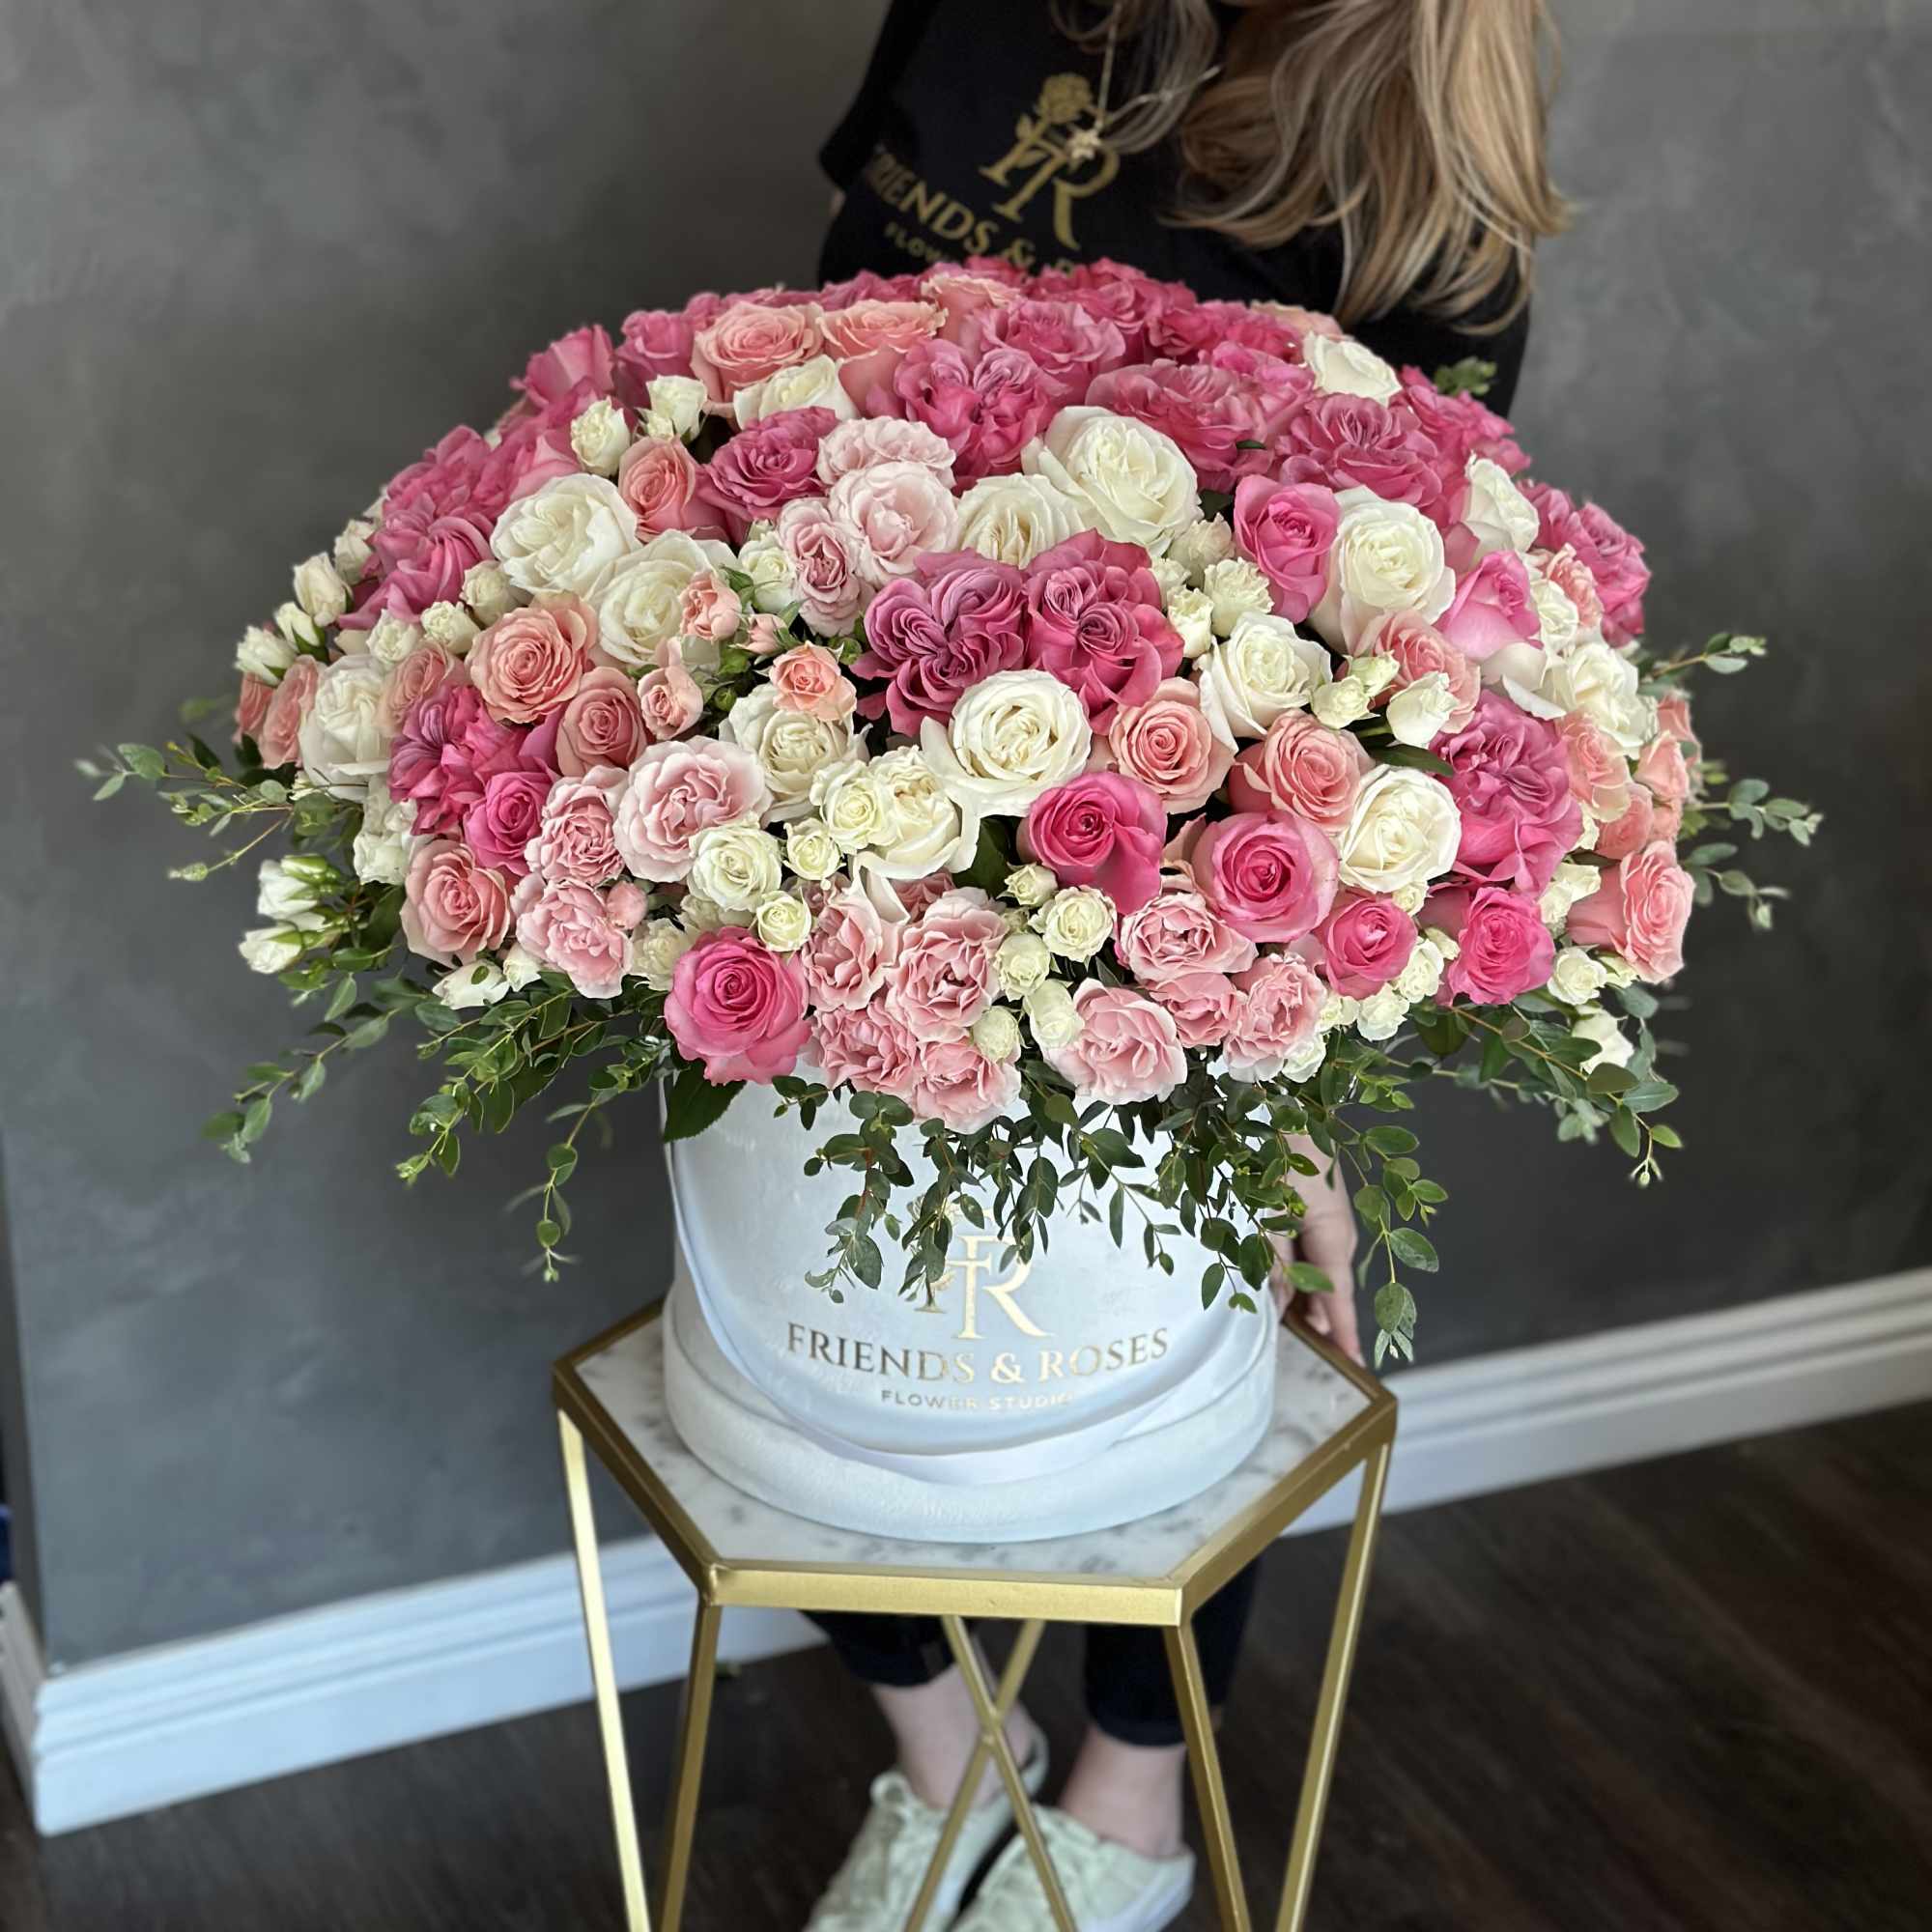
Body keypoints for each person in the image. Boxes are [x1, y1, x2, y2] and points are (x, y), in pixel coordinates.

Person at [805, 5, 1568, 1926]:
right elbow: (819, 357)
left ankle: (1127, 1805)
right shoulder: (1001, 17)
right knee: (819, 1313)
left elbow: (1410, 625)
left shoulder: (1428, 128)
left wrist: (1278, 1071)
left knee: (1186, 1329)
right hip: (866, 745)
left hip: (1217, 833)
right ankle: (944, 1754)